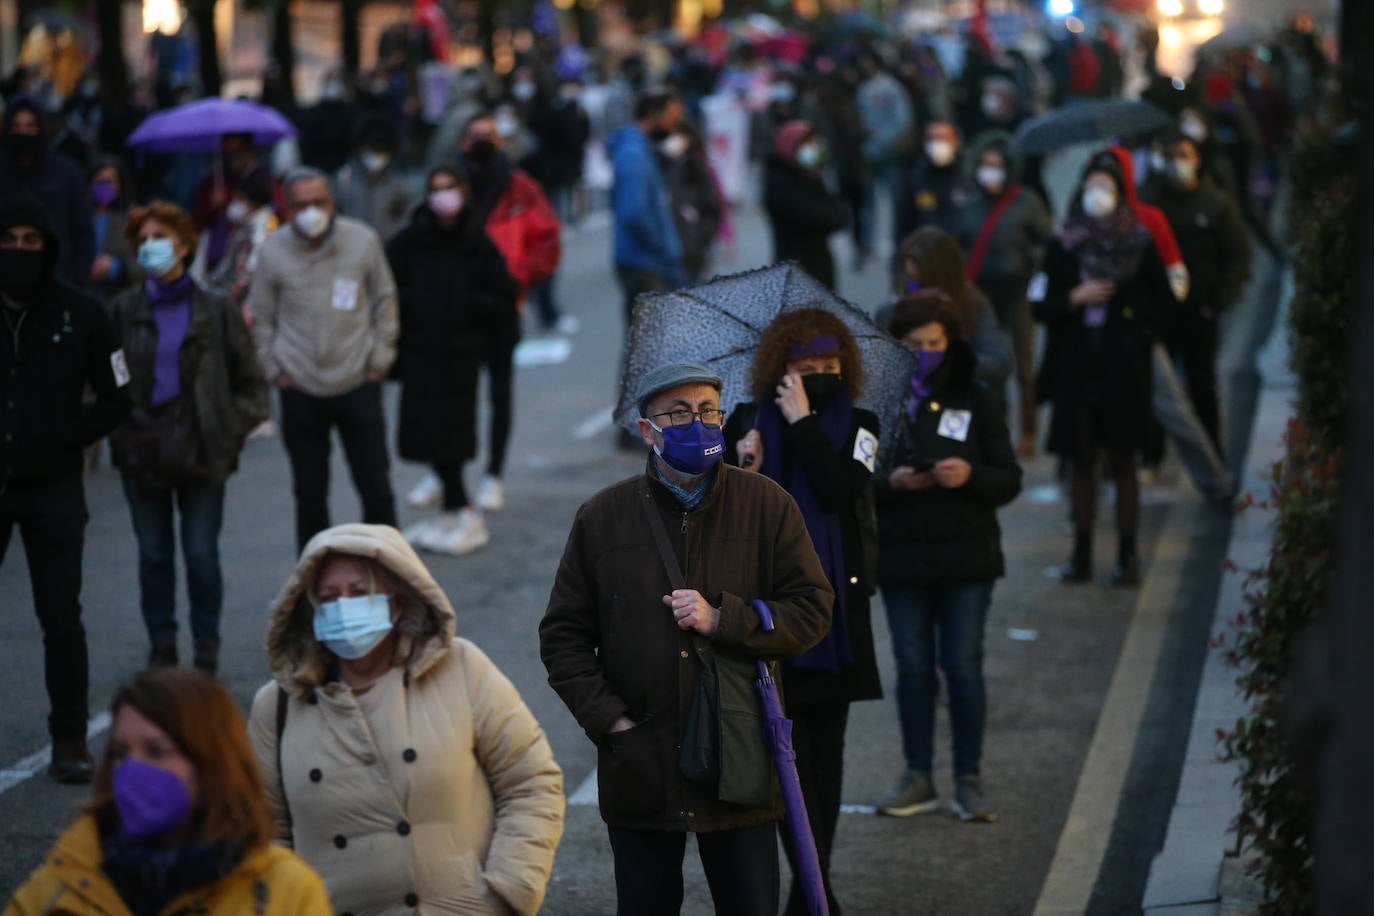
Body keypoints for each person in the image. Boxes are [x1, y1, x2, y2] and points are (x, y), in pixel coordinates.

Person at [539, 363, 834, 916]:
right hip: (641, 759)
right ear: (647, 430)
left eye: (707, 411)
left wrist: (726, 620)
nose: (696, 424)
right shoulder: (603, 517)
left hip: (739, 758)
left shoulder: (766, 504)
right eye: (678, 413)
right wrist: (610, 721)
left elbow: (812, 610)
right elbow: (563, 636)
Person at [248, 523, 565, 915]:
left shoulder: (461, 667)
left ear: (397, 600)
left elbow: (531, 782)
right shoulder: (277, 705)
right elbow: (262, 834)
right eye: (328, 598)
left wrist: (507, 891)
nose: (343, 608)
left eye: (359, 593)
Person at [724, 313, 883, 916]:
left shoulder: (862, 425)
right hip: (772, 617)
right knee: (787, 760)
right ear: (777, 371)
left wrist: (806, 426)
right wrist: (742, 466)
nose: (818, 378)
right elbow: (723, 514)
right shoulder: (744, 422)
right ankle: (811, 885)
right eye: (804, 370)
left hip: (836, 619)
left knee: (826, 758)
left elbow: (843, 491)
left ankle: (814, 889)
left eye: (828, 369)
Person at [6, 667, 331, 914]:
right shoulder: (62, 882)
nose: (132, 770)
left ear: (212, 763)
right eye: (121, 752)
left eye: (156, 752)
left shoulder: (287, 892)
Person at [873, 291, 1022, 823]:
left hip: (966, 556)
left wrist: (970, 476)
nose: (926, 352)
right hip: (903, 559)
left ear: (949, 342)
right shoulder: (879, 405)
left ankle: (968, 777)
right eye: (914, 344)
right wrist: (890, 481)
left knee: (961, 666)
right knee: (913, 668)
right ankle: (918, 775)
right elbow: (852, 482)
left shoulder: (976, 396)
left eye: (934, 343)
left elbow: (1009, 478)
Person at [105, 201, 269, 673]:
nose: (151, 247)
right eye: (143, 239)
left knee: (200, 553)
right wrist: (119, 434)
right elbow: (104, 381)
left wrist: (228, 431)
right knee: (154, 553)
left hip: (203, 448)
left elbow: (251, 383)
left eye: (160, 236)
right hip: (142, 448)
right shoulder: (123, 310)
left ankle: (205, 646)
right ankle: (162, 642)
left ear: (183, 244)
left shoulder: (215, 308)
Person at [0, 194, 131, 784]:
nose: (19, 251)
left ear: (49, 248)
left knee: (61, 618)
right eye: (10, 240)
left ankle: (70, 737)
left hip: (53, 485)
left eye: (31, 241)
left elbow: (117, 398)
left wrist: (65, 436)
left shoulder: (84, 313)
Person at [1033, 152, 1176, 586]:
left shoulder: (1138, 242)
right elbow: (1039, 302)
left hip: (1122, 367)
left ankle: (1128, 555)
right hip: (1076, 367)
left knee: (1123, 461)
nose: (1098, 196)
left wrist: (1130, 317)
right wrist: (1073, 299)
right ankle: (1080, 553)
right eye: (1092, 187)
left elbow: (1163, 304)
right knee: (1080, 463)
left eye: (1107, 189)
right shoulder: (1062, 245)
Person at [246, 166, 400, 552]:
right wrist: (274, 369)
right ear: (285, 206)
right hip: (299, 387)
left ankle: (393, 576)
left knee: (376, 488)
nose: (311, 212)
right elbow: (259, 315)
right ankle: (313, 586)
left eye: (319, 202)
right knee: (310, 494)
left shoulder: (361, 241)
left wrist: (379, 360)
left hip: (358, 380)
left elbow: (385, 300)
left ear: (332, 202)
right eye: (300, 205)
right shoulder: (272, 250)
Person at [387, 167, 520, 556]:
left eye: (450, 189)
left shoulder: (477, 243)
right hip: (419, 350)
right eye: (436, 189)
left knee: (452, 434)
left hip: (461, 352)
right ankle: (448, 512)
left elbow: (502, 297)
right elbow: (387, 284)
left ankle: (464, 512)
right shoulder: (412, 240)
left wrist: (464, 302)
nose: (443, 196)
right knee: (423, 432)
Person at [452, 110, 562, 513]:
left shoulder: (519, 188)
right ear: (462, 140)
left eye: (489, 135)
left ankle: (493, 474)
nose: (480, 141)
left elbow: (547, 238)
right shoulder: (451, 186)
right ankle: (449, 474)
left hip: (501, 306)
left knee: (500, 394)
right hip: (457, 310)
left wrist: (517, 277)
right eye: (474, 134)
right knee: (455, 395)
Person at [1141, 129, 1252, 455]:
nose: (1178, 164)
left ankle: (1211, 450)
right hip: (1160, 312)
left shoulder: (1216, 204)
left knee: (1202, 384)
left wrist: (1220, 300)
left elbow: (1237, 255)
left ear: (1197, 160)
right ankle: (1152, 454)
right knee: (1158, 387)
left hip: (1199, 312)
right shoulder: (1152, 203)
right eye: (1172, 157)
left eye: (1184, 156)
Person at [959, 132, 1054, 456]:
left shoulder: (1025, 202)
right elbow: (960, 246)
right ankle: (994, 429)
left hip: (1018, 292)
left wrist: (1036, 264)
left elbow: (1048, 241)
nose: (990, 172)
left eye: (997, 166)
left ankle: (1028, 432)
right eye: (985, 166)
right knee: (988, 363)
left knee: (1024, 367)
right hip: (980, 294)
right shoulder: (970, 204)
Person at [889, 227, 1014, 412]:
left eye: (918, 280)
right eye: (909, 278)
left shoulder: (973, 304)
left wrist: (949, 364)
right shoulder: (899, 308)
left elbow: (999, 361)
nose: (912, 287)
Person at [0, 97, 95, 286]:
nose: (23, 132)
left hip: (58, 280)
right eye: (17, 126)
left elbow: (82, 231)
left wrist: (76, 276)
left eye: (30, 126)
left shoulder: (66, 172)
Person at [763, 120, 849, 291]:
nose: (812, 149)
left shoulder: (814, 177)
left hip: (821, 267)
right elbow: (815, 217)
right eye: (806, 144)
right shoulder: (779, 182)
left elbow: (841, 216)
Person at [190, 133, 275, 276]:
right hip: (218, 255)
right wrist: (212, 206)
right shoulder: (214, 182)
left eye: (237, 151)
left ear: (250, 150)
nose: (232, 156)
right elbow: (197, 223)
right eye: (227, 152)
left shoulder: (266, 180)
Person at [659, 119, 725, 286]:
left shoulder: (697, 167)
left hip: (692, 250)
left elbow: (714, 206)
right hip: (664, 253)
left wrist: (703, 238)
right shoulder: (656, 166)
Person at [205, 172, 279, 312]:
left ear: (254, 202)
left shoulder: (263, 228)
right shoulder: (245, 225)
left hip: (251, 301)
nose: (235, 204)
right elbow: (227, 264)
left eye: (240, 199)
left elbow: (251, 269)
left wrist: (229, 295)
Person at [333, 114, 412, 245]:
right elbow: (336, 211)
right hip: (351, 246)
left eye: (381, 152)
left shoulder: (397, 182)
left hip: (387, 246)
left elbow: (405, 214)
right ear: (360, 149)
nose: (375, 157)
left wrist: (394, 234)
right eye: (371, 151)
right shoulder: (343, 178)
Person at [894, 120, 973, 247]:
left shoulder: (968, 179)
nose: (937, 144)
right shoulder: (914, 179)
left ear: (955, 142)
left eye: (942, 138)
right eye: (932, 139)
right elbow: (903, 226)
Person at [86, 156, 140, 301]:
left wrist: (115, 267)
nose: (104, 186)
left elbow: (145, 264)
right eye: (99, 181)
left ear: (121, 185)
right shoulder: (79, 216)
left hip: (119, 298)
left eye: (110, 181)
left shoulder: (133, 219)